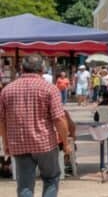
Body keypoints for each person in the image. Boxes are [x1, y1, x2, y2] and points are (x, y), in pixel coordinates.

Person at [0, 55, 72, 197]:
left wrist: (5, 142)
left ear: (22, 68)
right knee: (51, 178)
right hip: (45, 144)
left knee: (25, 185)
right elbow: (59, 119)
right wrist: (65, 142)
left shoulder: (7, 90)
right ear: (42, 69)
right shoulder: (50, 89)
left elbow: (1, 120)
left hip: (19, 144)